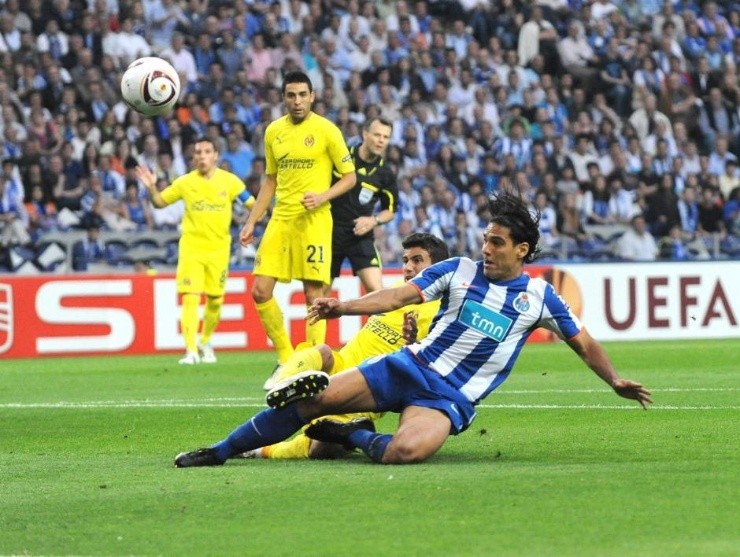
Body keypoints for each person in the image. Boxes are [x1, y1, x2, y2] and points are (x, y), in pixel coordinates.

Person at [174, 192, 652, 468]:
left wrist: (614, 381)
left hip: (446, 399)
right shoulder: (458, 269)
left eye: (497, 242)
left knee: (405, 452)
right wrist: (344, 306)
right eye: (486, 238)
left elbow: (584, 343)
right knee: (312, 402)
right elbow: (398, 296)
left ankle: (353, 436)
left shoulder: (540, 298)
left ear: (522, 250)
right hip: (408, 366)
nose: (486, 247)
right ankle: (219, 451)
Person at [244, 233, 449, 460]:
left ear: (438, 268)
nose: (408, 267)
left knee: (320, 448)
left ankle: (261, 450)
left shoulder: (443, 311)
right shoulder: (398, 290)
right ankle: (285, 385)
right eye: (405, 260)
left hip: (365, 390)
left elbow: (427, 368)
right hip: (339, 366)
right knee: (321, 351)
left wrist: (413, 343)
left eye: (417, 260)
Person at [238, 71, 356, 386]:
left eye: (302, 94)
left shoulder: (327, 131)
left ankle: (312, 364)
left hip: (315, 220)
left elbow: (349, 176)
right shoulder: (273, 131)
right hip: (281, 220)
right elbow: (270, 180)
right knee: (260, 290)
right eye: (291, 95)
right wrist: (252, 221)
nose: (297, 101)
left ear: (312, 96)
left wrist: (322, 196)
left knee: (313, 296)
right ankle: (286, 358)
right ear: (284, 97)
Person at [136, 137, 255, 365]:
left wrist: (251, 223)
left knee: (215, 301)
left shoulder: (230, 182)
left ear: (215, 155)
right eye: (198, 152)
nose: (201, 156)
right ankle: (190, 350)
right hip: (192, 248)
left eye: (206, 151)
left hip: (219, 250)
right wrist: (151, 187)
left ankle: (206, 340)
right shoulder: (185, 182)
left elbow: (252, 204)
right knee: (190, 298)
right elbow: (160, 203)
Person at [325, 117, 397, 297]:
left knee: (378, 292)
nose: (381, 140)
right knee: (320, 296)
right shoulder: (342, 156)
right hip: (329, 232)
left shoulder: (385, 173)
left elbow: (390, 210)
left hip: (360, 234)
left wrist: (374, 220)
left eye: (386, 137)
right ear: (365, 134)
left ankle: (379, 326)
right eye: (377, 135)